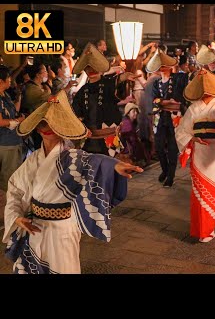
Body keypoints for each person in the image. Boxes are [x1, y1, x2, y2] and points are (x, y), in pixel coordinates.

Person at [3, 90, 143, 274]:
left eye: (54, 123)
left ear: (62, 127)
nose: (48, 127)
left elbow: (93, 161)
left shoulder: (73, 157)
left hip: (62, 229)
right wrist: (16, 216)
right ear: (37, 127)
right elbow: (15, 189)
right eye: (44, 123)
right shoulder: (33, 159)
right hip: (34, 226)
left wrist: (115, 166)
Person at [175, 70, 215, 243]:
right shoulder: (193, 108)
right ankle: (202, 230)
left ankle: (209, 227)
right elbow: (181, 131)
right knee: (200, 192)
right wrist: (193, 137)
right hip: (199, 152)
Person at [72, 43, 140, 155]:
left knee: (110, 168)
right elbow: (77, 114)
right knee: (92, 169)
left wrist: (125, 76)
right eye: (88, 67)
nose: (91, 70)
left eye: (94, 66)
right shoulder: (82, 91)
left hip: (109, 136)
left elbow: (117, 80)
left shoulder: (108, 84)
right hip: (89, 139)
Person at [147, 49, 181, 187]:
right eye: (159, 66)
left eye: (164, 65)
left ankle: (171, 176)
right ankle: (165, 169)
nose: (162, 68)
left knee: (173, 147)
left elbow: (178, 99)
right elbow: (155, 100)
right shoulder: (156, 83)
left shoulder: (178, 79)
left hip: (174, 117)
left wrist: (162, 102)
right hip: (160, 117)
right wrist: (165, 102)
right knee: (159, 146)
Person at [0, 66, 25, 216]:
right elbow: (1, 121)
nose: (11, 80)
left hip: (11, 141)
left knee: (8, 177)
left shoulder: (4, 95)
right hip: (6, 143)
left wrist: (19, 98)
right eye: (8, 78)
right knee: (8, 179)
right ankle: (6, 214)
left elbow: (13, 111)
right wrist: (16, 121)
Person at [119, 102, 149, 167]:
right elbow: (132, 141)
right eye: (133, 111)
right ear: (128, 113)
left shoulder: (130, 122)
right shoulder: (127, 123)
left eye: (136, 111)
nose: (136, 113)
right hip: (128, 149)